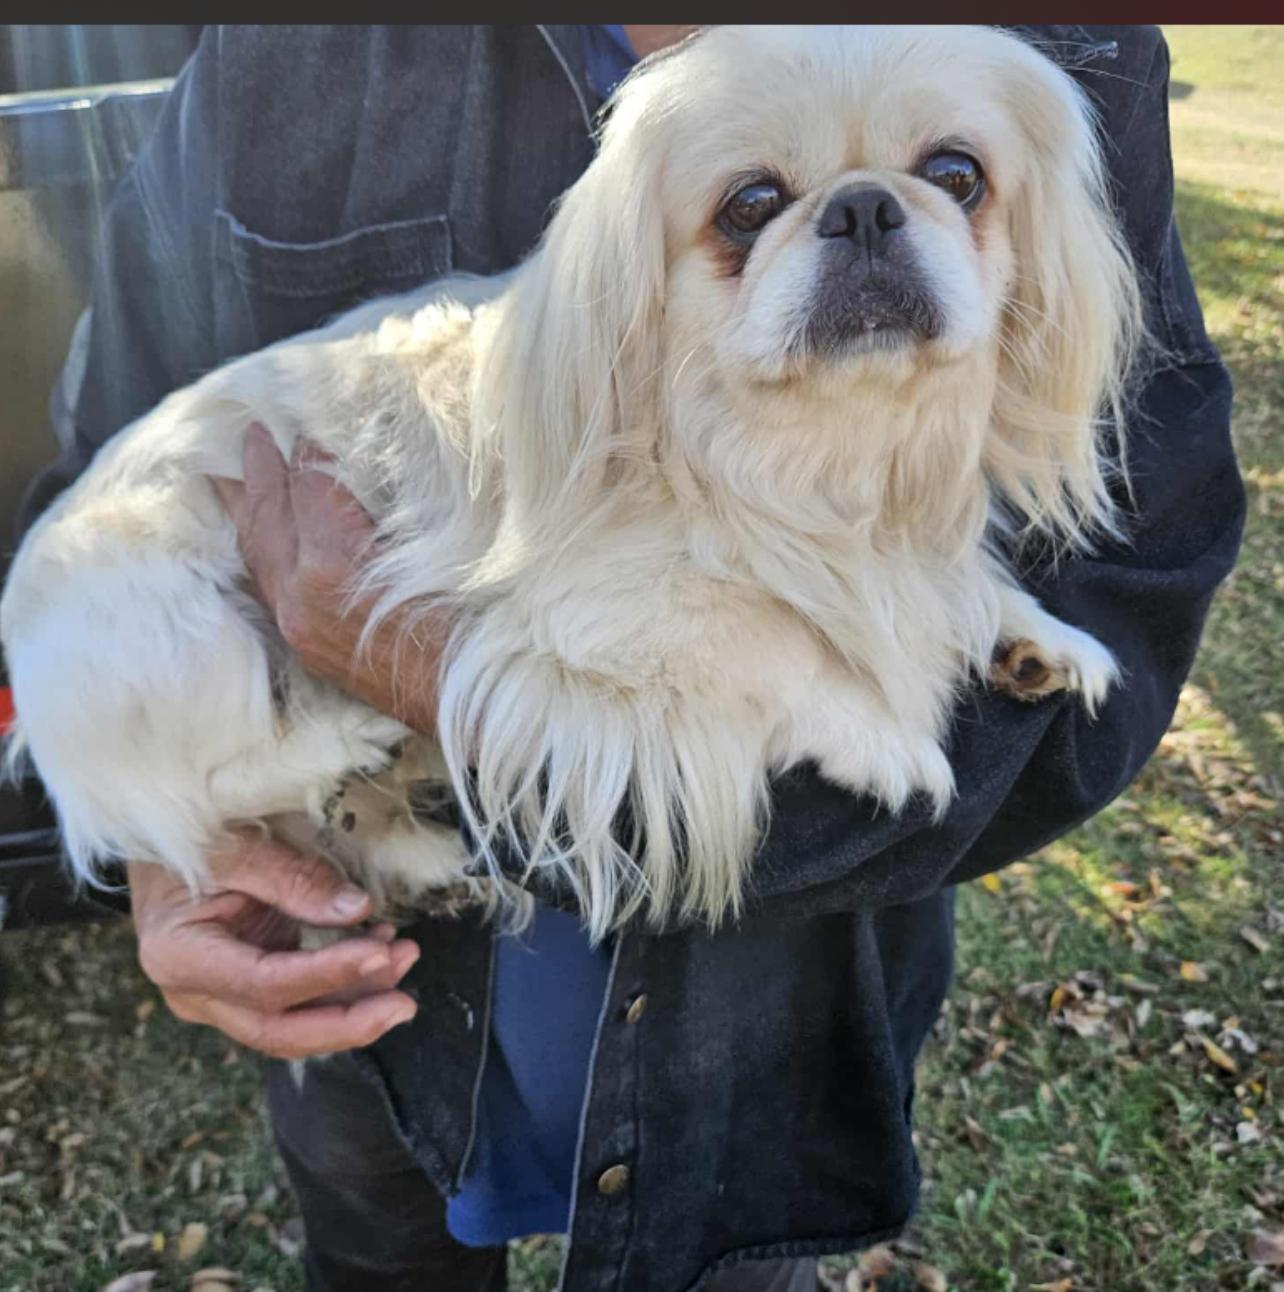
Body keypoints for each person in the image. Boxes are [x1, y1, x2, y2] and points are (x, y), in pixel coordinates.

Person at [15, 24, 1243, 1292]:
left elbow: (1132, 580)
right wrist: (168, 846)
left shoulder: (1058, 51)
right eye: (753, 206)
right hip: (376, 1011)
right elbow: (104, 469)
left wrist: (420, 667)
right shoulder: (293, 53)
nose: (870, 220)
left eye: (954, 178)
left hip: (770, 1059)